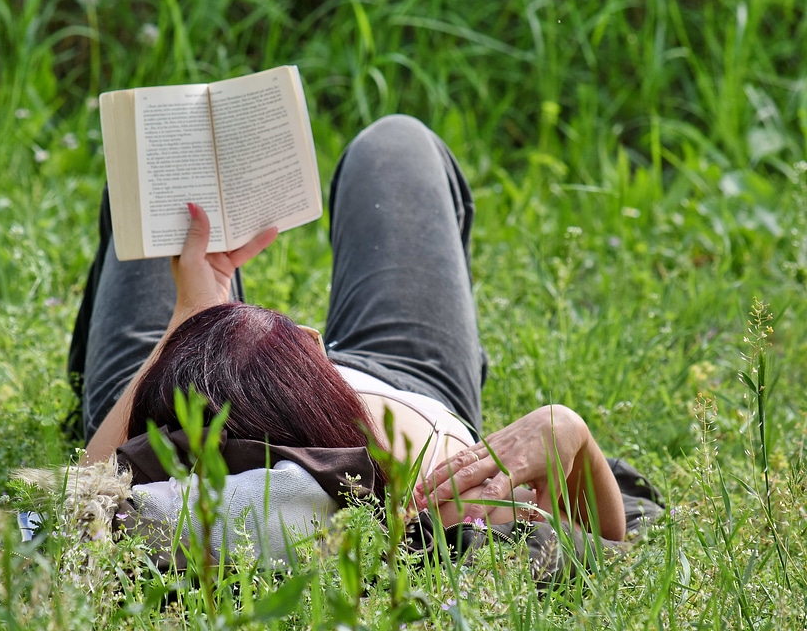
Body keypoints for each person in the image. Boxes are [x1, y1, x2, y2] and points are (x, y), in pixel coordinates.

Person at [67, 115, 640, 555]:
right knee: (396, 143)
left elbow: (84, 493)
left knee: (149, 195)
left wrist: (191, 315)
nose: (312, 332)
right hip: (410, 382)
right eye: (304, 343)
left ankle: (201, 330)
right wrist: (571, 432)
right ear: (312, 357)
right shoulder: (432, 499)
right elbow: (605, 550)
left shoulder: (141, 478)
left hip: (185, 379)